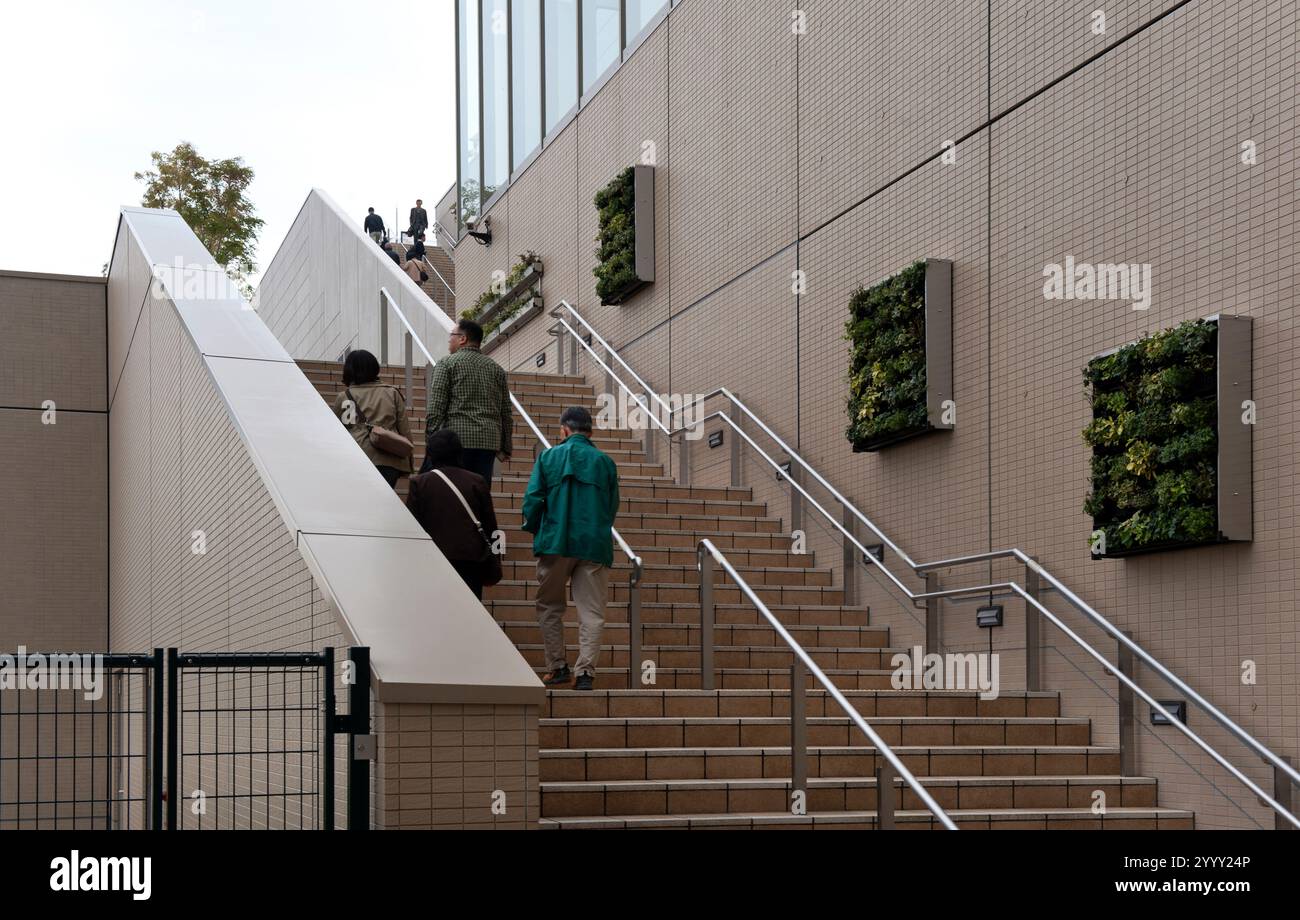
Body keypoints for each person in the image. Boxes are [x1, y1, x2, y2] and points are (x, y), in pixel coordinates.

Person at [523, 407, 620, 691]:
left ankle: (558, 667)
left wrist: (534, 528)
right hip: (594, 544)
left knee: (550, 606)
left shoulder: (548, 457)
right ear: (590, 432)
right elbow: (612, 506)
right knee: (591, 612)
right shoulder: (605, 462)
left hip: (555, 541)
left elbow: (533, 500)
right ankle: (586, 672)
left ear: (564, 429)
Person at [406, 430, 502, 600]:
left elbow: (412, 527)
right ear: (459, 452)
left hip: (434, 560)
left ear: (431, 454)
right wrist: (495, 561)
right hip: (471, 561)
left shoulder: (419, 483)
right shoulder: (477, 481)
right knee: (470, 612)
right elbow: (490, 526)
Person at [423, 320, 513, 485]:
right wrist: (505, 446)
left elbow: (436, 407)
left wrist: (432, 440)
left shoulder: (446, 364)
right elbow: (506, 411)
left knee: (455, 489)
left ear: (462, 339)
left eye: (452, 335)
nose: (449, 339)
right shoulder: (496, 369)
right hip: (488, 441)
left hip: (456, 440)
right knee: (479, 490)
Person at [332, 349, 413, 488]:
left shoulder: (345, 397)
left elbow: (340, 433)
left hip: (358, 458)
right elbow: (404, 430)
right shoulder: (391, 393)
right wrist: (409, 461)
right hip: (390, 460)